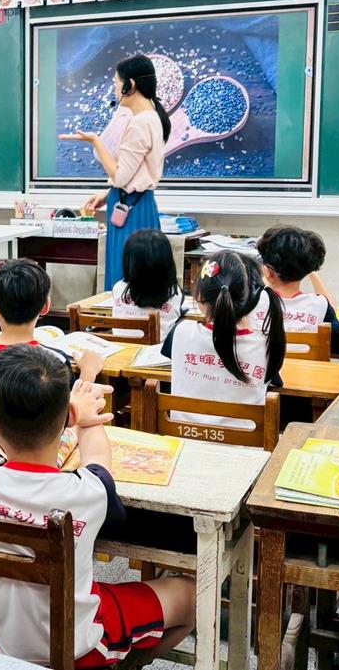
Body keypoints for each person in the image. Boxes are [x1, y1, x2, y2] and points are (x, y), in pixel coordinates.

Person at [0, 345, 195, 666]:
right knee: (192, 596)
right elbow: (97, 458)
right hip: (76, 646)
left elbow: (26, 463)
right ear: (70, 416)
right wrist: (86, 421)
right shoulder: (88, 491)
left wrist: (73, 410)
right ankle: (123, 664)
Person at [59, 54, 172, 290]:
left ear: (130, 85)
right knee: (140, 280)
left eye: (116, 83)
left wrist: (96, 142)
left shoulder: (140, 122)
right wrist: (107, 194)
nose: (114, 88)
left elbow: (121, 176)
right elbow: (134, 173)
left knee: (126, 281)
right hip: (135, 204)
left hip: (131, 211)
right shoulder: (151, 117)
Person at [160, 251, 286, 429]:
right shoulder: (268, 345)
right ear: (250, 300)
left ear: (199, 296)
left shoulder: (180, 332)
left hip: (183, 439)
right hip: (244, 445)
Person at [255, 225, 339, 334]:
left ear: (268, 271)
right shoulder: (319, 305)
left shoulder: (252, 302)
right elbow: (332, 317)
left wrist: (269, 277)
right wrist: (312, 273)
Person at [111, 229, 184, 340]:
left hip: (121, 348)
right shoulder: (175, 293)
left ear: (128, 261)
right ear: (167, 262)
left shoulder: (118, 288)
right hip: (159, 350)